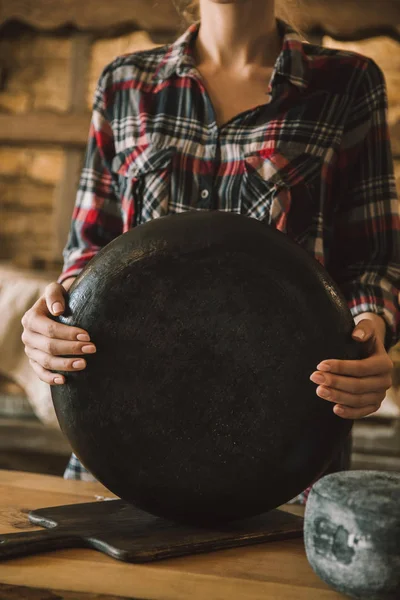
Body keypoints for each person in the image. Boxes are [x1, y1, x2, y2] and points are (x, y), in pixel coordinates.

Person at [21, 0, 400, 493]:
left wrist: (370, 330)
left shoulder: (346, 82)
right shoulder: (124, 82)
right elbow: (91, 250)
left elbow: (374, 261)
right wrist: (54, 317)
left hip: (288, 451)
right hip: (119, 444)